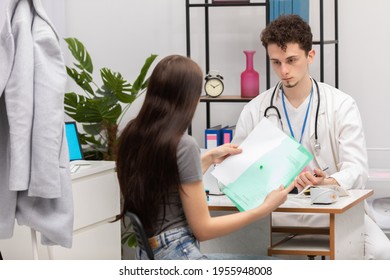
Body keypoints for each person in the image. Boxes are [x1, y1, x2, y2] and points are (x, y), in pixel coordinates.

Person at [232, 14, 390, 260]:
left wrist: (327, 182)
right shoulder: (255, 109)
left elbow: (357, 170)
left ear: (310, 56)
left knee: (381, 251)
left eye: (292, 60)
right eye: (276, 62)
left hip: (333, 205)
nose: (283, 71)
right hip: (277, 210)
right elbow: (240, 173)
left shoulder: (341, 105)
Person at [115, 54, 294, 260]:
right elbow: (204, 229)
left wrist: (208, 158)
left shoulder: (132, 134)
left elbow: (165, 187)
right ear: (188, 98)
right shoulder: (183, 144)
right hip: (179, 253)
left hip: (149, 253)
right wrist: (263, 209)